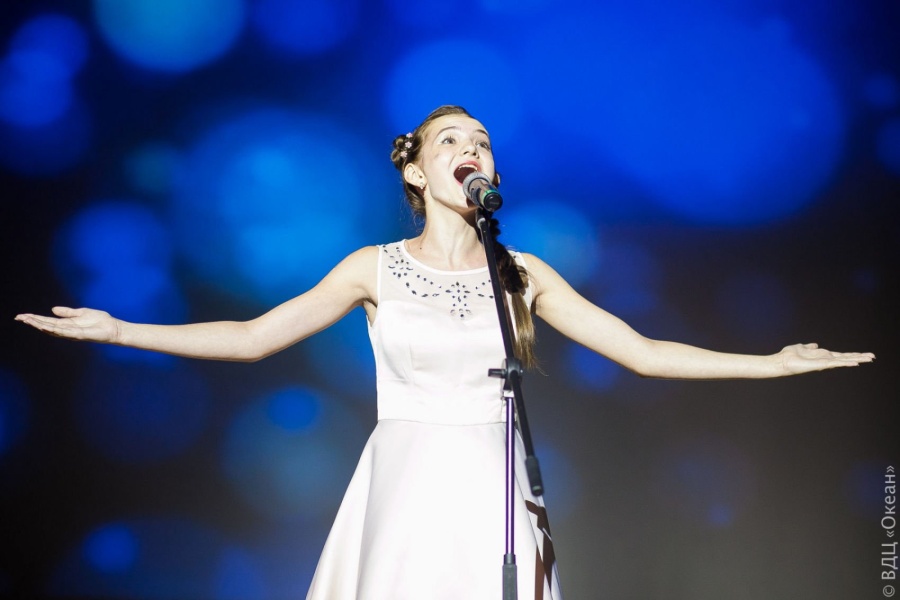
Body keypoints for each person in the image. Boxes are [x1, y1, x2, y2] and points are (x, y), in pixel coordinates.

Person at [15, 105, 874, 600]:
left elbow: (641, 352)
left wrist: (771, 363)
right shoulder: (373, 268)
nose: (472, 150)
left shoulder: (522, 271)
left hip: (494, 486)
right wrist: (121, 330)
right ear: (418, 174)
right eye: (451, 141)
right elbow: (251, 337)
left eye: (482, 140)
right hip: (406, 481)